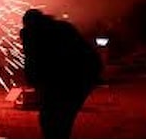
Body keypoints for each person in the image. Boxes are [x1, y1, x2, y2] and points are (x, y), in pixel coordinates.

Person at [21, 9, 102, 138]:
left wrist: (34, 80)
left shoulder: (34, 33)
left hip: (75, 76)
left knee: (54, 118)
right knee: (61, 118)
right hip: (84, 74)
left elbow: (33, 59)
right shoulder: (62, 27)